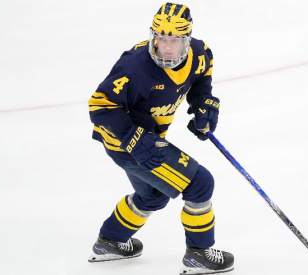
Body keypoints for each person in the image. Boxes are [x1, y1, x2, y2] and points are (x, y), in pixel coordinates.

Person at [87, 2, 234, 274]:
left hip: (147, 138)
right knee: (200, 183)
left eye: (175, 40)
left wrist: (204, 104)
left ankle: (110, 242)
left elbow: (201, 79)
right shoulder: (135, 68)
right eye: (161, 38)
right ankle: (199, 254)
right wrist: (133, 138)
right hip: (126, 142)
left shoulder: (200, 54)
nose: (166, 46)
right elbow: (100, 106)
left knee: (154, 196)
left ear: (187, 39)